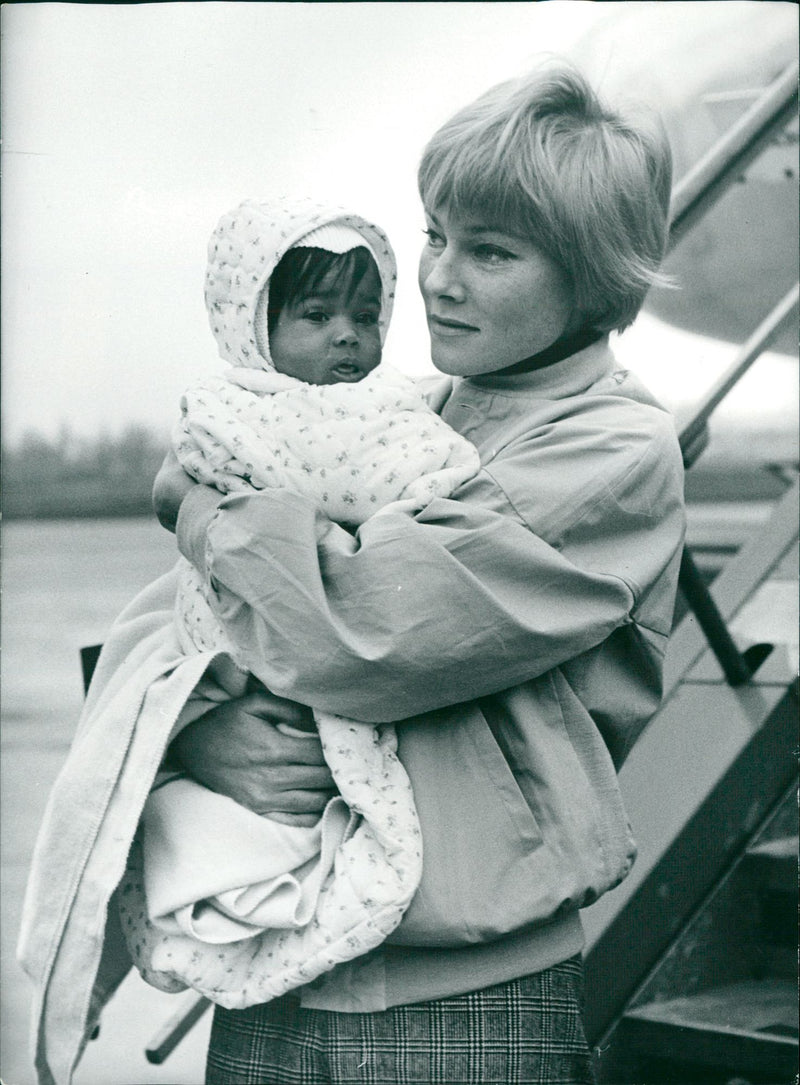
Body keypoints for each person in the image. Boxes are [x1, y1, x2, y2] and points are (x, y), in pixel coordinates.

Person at [19, 60, 685, 1085]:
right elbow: (167, 630)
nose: (437, 278)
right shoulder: (397, 417)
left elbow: (357, 632)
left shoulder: (606, 451)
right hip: (279, 961)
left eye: (491, 251)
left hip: (464, 997)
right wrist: (208, 736)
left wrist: (199, 507)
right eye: (433, 233)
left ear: (596, 277)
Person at [118, 197, 480, 1008]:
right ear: (253, 326)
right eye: (315, 314)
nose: (348, 335)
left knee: (296, 810)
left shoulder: (346, 403)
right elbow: (393, 471)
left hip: (290, 638)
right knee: (301, 790)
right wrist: (449, 472)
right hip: (258, 643)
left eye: (364, 312)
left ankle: (245, 903)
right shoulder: (259, 414)